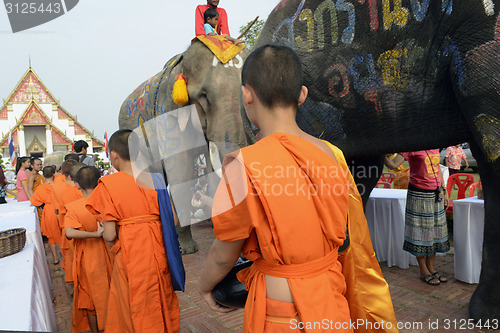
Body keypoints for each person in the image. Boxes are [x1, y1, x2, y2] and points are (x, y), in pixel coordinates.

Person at [199, 45, 398, 332]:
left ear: (247, 94)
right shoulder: (332, 154)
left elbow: (223, 252)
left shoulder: (243, 165)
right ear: (302, 95)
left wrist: (206, 286)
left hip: (279, 312)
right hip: (331, 296)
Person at [86, 129, 180, 332]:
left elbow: (110, 235)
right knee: (160, 294)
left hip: (129, 253)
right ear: (138, 153)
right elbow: (172, 219)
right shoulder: (157, 181)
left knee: (131, 303)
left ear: (114, 155)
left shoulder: (108, 184)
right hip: (158, 250)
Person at [385, 151, 450, 286]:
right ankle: (423, 269)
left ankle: (431, 267)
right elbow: (392, 164)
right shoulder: (411, 146)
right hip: (418, 194)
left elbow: (437, 168)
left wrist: (444, 190)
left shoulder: (435, 145)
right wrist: (379, 155)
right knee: (420, 232)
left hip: (436, 193)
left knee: (434, 232)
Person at [65, 166, 112, 333]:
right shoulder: (108, 202)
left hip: (89, 258)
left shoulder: (74, 207)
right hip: (111, 253)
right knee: (114, 292)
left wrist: (94, 234)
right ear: (99, 182)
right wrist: (99, 233)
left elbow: (69, 232)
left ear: (77, 184)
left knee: (91, 299)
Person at [51, 160, 84, 285]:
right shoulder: (80, 189)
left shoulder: (58, 187)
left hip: (67, 228)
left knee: (71, 258)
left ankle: (75, 285)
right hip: (83, 229)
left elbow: (56, 210)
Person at [30, 166, 61, 264]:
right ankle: (66, 254)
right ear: (54, 175)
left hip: (49, 211)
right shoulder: (59, 185)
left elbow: (33, 202)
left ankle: (55, 258)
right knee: (64, 232)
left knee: (51, 236)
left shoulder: (41, 188)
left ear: (43, 175)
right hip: (60, 209)